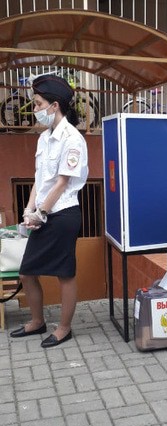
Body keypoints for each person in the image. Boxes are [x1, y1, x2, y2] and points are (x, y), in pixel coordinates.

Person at [10, 74, 88, 348]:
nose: (35, 109)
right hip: (43, 213)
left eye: (38, 103)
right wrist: (29, 209)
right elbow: (40, 179)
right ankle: (37, 321)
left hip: (63, 214)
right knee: (27, 271)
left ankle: (64, 328)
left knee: (64, 273)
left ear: (55, 106)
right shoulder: (44, 138)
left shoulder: (73, 139)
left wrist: (40, 213)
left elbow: (62, 182)